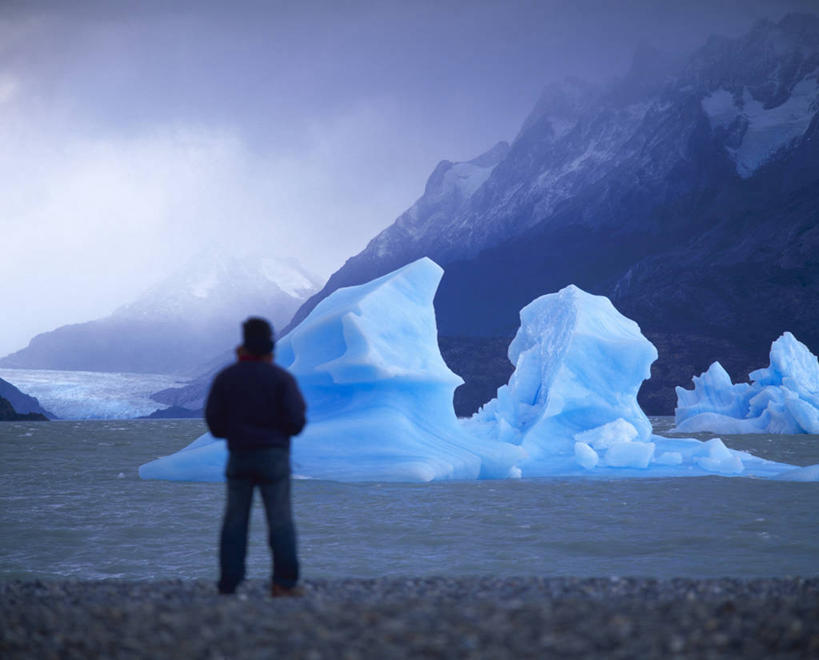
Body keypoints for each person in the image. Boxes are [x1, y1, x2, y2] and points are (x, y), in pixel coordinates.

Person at [205, 317, 307, 597]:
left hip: (239, 455)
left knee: (235, 520)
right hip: (274, 456)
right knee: (280, 520)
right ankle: (283, 583)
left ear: (243, 346)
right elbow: (296, 422)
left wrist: (236, 433)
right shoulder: (281, 379)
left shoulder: (226, 378)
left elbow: (214, 423)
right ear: (270, 347)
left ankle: (229, 584)